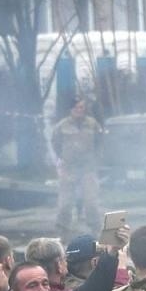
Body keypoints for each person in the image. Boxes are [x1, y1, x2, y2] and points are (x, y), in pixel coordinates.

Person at [51, 98, 103, 235]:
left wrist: (95, 159)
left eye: (82, 107)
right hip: (69, 169)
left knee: (91, 202)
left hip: (88, 168)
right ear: (71, 110)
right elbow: (55, 143)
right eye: (77, 108)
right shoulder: (62, 126)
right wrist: (62, 158)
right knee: (65, 204)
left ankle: (96, 231)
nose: (80, 110)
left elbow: (100, 142)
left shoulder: (92, 124)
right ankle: (63, 233)